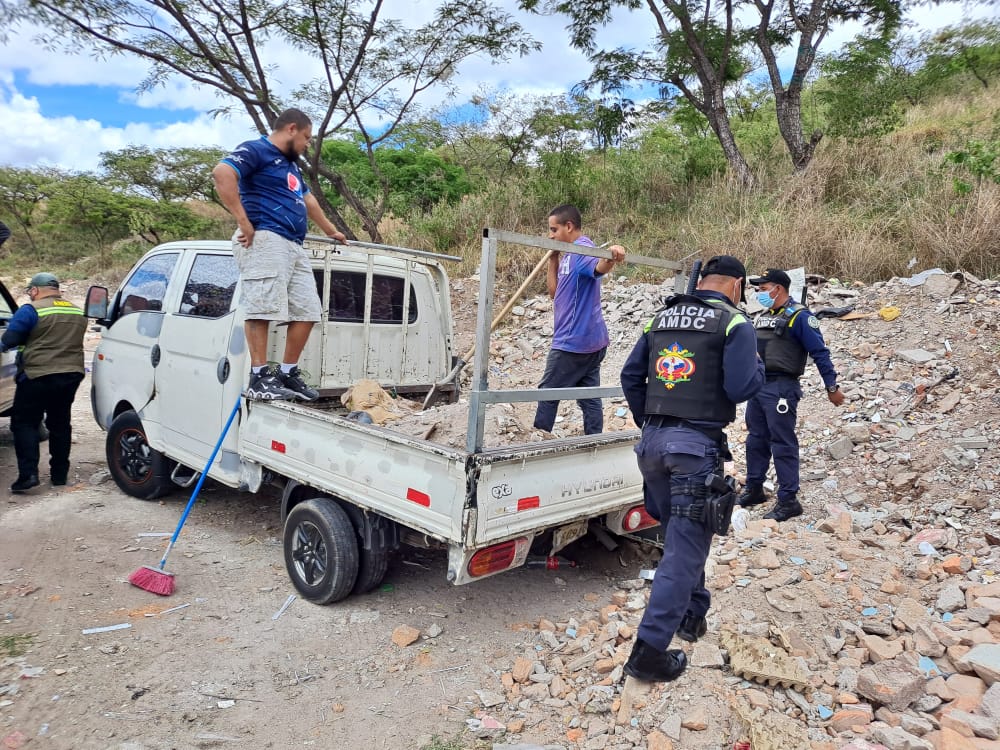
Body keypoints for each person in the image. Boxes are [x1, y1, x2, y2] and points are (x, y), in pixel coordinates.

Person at [619, 255, 764, 682]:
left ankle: (691, 615)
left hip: (652, 446)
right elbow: (740, 387)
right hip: (694, 451)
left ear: (703, 280)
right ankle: (648, 652)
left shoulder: (659, 319)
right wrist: (757, 366)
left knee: (683, 536)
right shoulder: (735, 324)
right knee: (685, 549)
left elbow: (631, 377)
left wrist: (652, 426)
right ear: (737, 285)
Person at [212, 107, 348, 401]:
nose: (308, 144)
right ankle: (259, 377)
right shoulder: (255, 150)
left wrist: (330, 230)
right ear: (291, 129)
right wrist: (243, 221)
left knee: (308, 311)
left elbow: (308, 199)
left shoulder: (290, 166)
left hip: (293, 244)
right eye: (307, 138)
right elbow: (222, 173)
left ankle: (287, 372)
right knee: (262, 306)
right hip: (264, 237)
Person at [738, 268, 845, 521]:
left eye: (763, 289)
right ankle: (754, 489)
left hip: (781, 388)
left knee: (782, 443)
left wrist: (832, 387)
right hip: (759, 386)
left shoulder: (800, 317)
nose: (759, 293)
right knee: (756, 440)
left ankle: (788, 500)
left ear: (779, 288)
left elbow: (820, 353)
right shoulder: (764, 316)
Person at [533, 204, 626, 435]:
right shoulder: (568, 256)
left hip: (573, 341)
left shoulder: (583, 251)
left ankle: (536, 442)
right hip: (590, 340)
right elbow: (555, 293)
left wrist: (612, 255)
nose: (550, 235)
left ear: (569, 226)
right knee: (588, 395)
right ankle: (594, 441)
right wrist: (553, 258)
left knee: (547, 392)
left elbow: (599, 267)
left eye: (553, 230)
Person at [0, 273, 88, 492]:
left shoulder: (31, 310)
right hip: (71, 375)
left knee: (24, 423)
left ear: (35, 290)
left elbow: (10, 340)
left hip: (37, 375)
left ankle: (28, 475)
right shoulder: (77, 311)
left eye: (30, 291)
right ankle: (59, 476)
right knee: (60, 424)